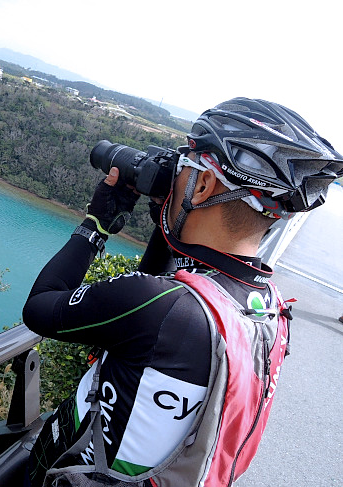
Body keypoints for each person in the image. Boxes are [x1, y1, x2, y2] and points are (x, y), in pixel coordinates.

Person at [23, 97, 343, 487]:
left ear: (205, 184)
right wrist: (169, 217)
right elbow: (153, 328)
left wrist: (96, 222)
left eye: (184, 166)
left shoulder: (161, 307)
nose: (175, 175)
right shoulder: (267, 309)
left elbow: (39, 307)